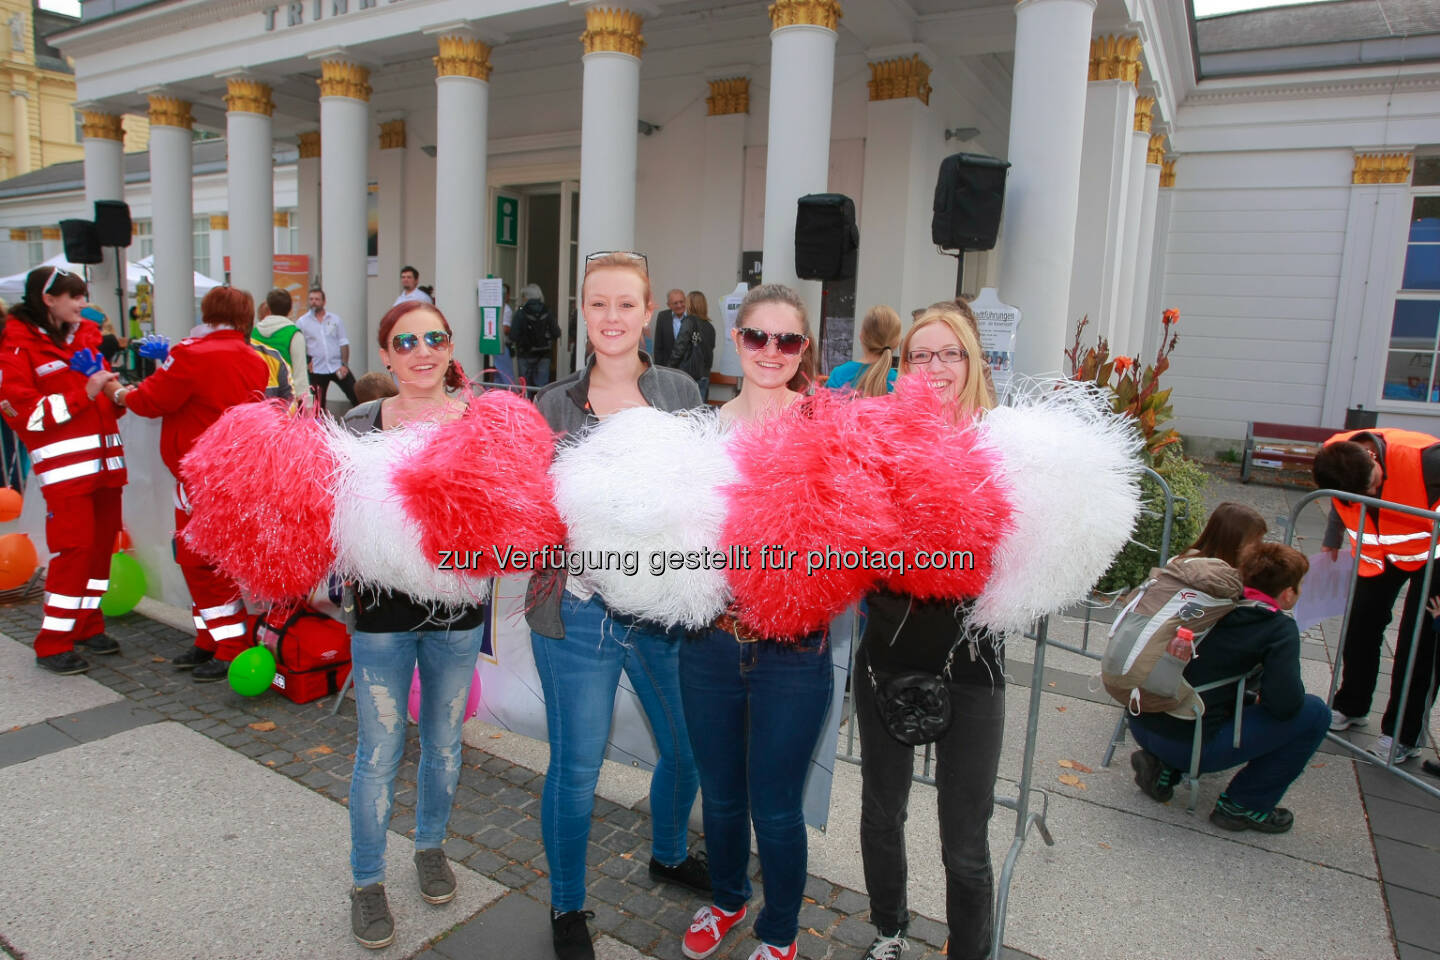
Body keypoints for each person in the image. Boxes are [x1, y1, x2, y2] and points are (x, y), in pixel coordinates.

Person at [527, 252, 708, 960]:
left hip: (662, 611)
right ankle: (567, 906)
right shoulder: (552, 404)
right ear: (582, 310)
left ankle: (667, 852)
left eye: (625, 304)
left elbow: (702, 498)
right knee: (576, 766)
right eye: (598, 304)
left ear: (647, 309)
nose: (611, 318)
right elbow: (536, 510)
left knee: (687, 747)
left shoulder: (680, 391)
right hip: (577, 612)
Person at [678, 283, 829, 960]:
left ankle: (781, 934)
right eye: (757, 337)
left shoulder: (828, 428)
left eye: (787, 340)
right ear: (736, 341)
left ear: (804, 349)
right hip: (709, 645)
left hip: (793, 653)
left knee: (775, 806)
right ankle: (729, 899)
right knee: (721, 795)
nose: (771, 352)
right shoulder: (703, 430)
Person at [850, 301, 999, 960]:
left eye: (950, 353)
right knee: (884, 812)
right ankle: (890, 931)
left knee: (965, 843)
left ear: (972, 362)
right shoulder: (877, 440)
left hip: (974, 667)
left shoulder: (1005, 446)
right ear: (902, 364)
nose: (936, 366)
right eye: (921, 354)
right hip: (888, 655)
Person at [342, 299, 483, 950]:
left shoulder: (480, 422)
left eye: (434, 338)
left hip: (458, 615)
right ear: (386, 356)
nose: (421, 351)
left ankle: (430, 846)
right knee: (379, 751)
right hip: (380, 618)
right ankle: (367, 883)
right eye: (406, 342)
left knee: (446, 742)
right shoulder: (361, 422)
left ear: (451, 348)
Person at [103, 286, 270, 682]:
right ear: (244, 317)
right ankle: (212, 639)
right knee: (214, 559)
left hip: (196, 475)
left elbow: (148, 402)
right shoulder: (255, 359)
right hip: (233, 471)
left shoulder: (192, 354)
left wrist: (116, 390)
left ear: (208, 312)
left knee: (200, 562)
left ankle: (227, 645)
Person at [1129, 542, 1331, 834]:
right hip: (1191, 746)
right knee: (1315, 714)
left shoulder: (1211, 598)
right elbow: (1284, 705)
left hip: (1140, 719)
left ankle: (1163, 770)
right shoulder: (1276, 628)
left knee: (1211, 691)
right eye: (1300, 586)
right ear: (1287, 593)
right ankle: (1244, 804)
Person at [0, 265, 126, 674]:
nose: (82, 304)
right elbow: (23, 414)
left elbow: (103, 401)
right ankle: (53, 641)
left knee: (100, 552)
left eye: (82, 295)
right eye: (74, 296)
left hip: (107, 468)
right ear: (47, 299)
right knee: (73, 553)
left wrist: (118, 396)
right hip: (67, 473)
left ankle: (88, 624)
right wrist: (84, 393)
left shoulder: (86, 337)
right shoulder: (17, 349)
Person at [1315, 430, 1440, 763]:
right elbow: (1339, 499)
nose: (1372, 493)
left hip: (1434, 554)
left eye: (1372, 484)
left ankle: (1403, 734)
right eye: (1363, 492)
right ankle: (1351, 706)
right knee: (1360, 627)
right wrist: (1333, 535)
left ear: (1372, 457)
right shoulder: (1334, 455)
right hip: (1379, 554)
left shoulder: (1430, 460)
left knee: (1419, 641)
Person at [297, 288, 358, 409]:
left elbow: (343, 341)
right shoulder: (302, 322)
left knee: (355, 394)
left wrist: (344, 364)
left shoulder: (335, 319)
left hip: (336, 366)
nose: (314, 302)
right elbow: (299, 345)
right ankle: (320, 426)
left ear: (324, 302)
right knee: (317, 405)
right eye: (311, 299)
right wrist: (306, 362)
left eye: (317, 299)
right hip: (317, 369)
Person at [826, 305, 901, 396]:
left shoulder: (838, 374)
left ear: (861, 336)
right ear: (897, 343)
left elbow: (823, 407)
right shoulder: (898, 384)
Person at [252, 287, 310, 400]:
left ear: (268, 308)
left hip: (260, 394)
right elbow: (300, 374)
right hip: (285, 397)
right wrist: (307, 405)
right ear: (290, 309)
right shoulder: (294, 334)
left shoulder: (254, 332)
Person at [510, 283, 559, 389]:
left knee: (524, 386)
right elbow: (556, 332)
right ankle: (540, 405)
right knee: (541, 386)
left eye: (523, 296)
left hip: (525, 354)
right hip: (544, 354)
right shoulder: (548, 311)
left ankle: (526, 405)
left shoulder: (520, 313)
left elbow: (513, 335)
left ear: (526, 297)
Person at [670, 290, 716, 400]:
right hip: (704, 374)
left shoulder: (689, 321)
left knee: (683, 413)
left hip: (688, 375)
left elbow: (679, 348)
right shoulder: (710, 326)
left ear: (690, 304)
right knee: (699, 412)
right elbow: (711, 348)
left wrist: (669, 368)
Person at [652, 288, 688, 369]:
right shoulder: (662, 316)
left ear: (686, 301)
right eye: (675, 303)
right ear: (668, 305)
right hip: (668, 368)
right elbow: (658, 346)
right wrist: (659, 368)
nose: (679, 305)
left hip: (689, 369)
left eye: (681, 302)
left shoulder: (693, 317)